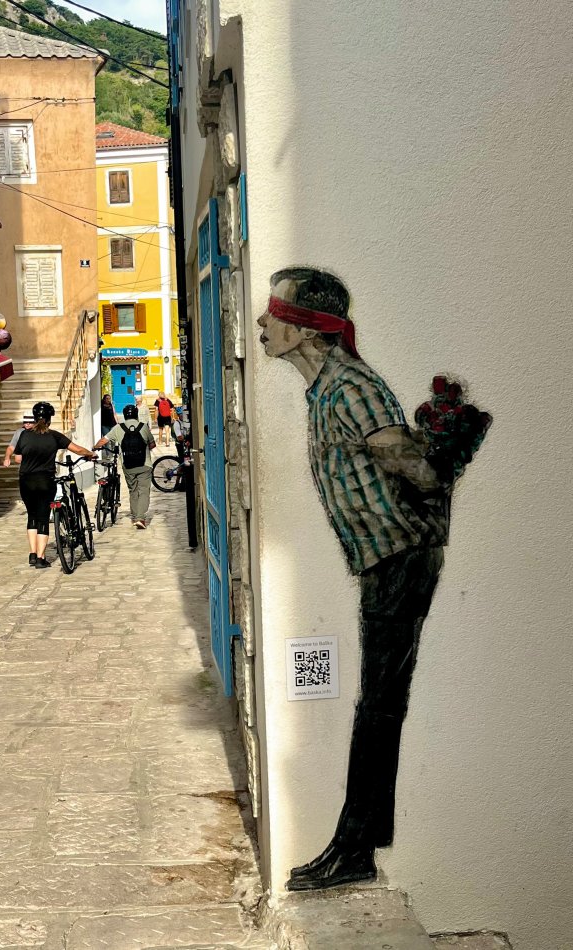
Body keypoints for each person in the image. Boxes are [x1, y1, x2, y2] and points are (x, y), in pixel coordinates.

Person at [258, 267, 451, 892]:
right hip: (384, 559)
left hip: (401, 556)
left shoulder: (350, 387)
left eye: (275, 314)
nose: (263, 322)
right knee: (380, 705)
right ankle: (360, 842)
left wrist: (437, 460)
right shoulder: (325, 391)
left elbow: (419, 470)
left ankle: (354, 846)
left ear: (306, 329)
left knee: (378, 707)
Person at [8, 401, 95, 568]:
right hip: (45, 481)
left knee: (32, 516)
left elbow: (18, 457)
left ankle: (32, 554)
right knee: (43, 518)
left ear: (34, 418)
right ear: (49, 419)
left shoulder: (24, 435)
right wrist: (90, 454)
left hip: (26, 481)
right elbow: (77, 449)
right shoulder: (54, 436)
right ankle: (41, 558)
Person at [94, 403, 155, 528]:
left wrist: (94, 447)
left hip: (128, 465)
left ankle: (135, 516)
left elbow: (104, 440)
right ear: (136, 415)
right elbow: (152, 444)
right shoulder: (143, 427)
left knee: (133, 490)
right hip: (145, 465)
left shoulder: (118, 428)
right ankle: (140, 518)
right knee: (144, 491)